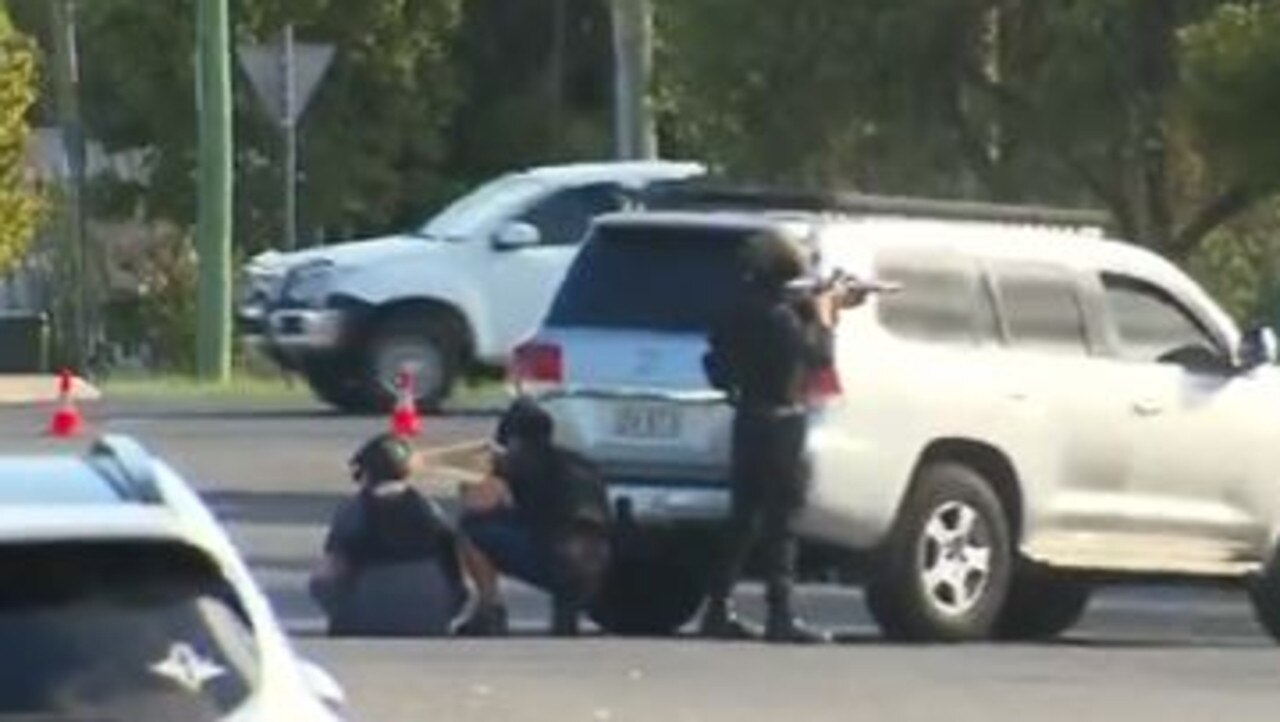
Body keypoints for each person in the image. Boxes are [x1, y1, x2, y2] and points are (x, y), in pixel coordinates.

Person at [699, 228, 861, 644]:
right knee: (780, 523)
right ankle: (780, 613)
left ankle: (717, 608)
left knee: (742, 520)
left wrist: (824, 304)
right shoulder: (780, 318)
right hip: (781, 424)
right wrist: (826, 317)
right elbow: (818, 357)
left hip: (747, 421)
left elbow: (717, 361)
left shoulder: (739, 309)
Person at [455, 397, 611, 637]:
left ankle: (490, 609)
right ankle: (567, 610)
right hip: (598, 562)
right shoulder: (581, 463)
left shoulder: (519, 462)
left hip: (555, 558)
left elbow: (477, 505)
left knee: (471, 529)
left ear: (513, 438)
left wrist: (473, 477)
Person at [310, 433, 466, 637]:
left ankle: (352, 618)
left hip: (366, 620)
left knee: (319, 582)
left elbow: (329, 573)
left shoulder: (352, 509)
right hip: (428, 620)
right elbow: (455, 568)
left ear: (365, 473)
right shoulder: (429, 508)